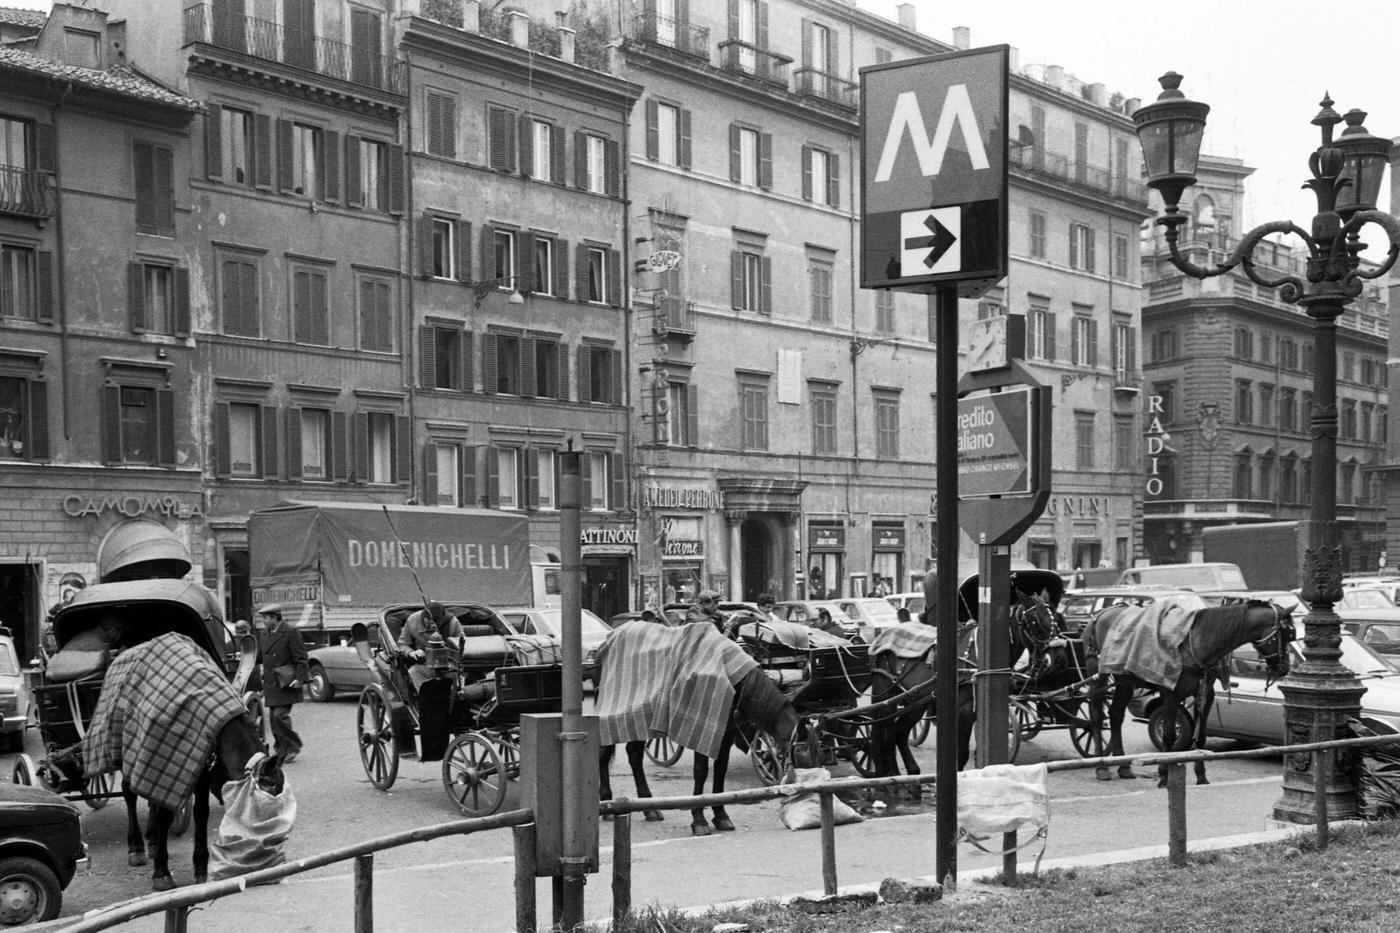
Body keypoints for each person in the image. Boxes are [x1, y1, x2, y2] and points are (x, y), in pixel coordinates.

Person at [257, 604, 308, 763]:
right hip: (271, 683)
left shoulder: (291, 632)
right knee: (273, 719)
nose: (263, 621)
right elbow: (260, 657)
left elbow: (301, 658)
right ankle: (281, 750)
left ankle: (292, 746)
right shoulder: (264, 634)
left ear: (274, 617)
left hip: (287, 682)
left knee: (280, 716)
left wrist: (300, 679)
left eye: (265, 618)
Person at [397, 601, 465, 692]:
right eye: (430, 621)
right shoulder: (413, 620)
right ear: (424, 617)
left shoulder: (452, 622)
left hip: (448, 665)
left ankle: (453, 697)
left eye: (437, 621)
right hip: (425, 664)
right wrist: (411, 652)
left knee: (459, 675)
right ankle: (426, 698)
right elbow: (402, 644)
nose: (433, 625)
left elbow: (462, 645)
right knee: (414, 671)